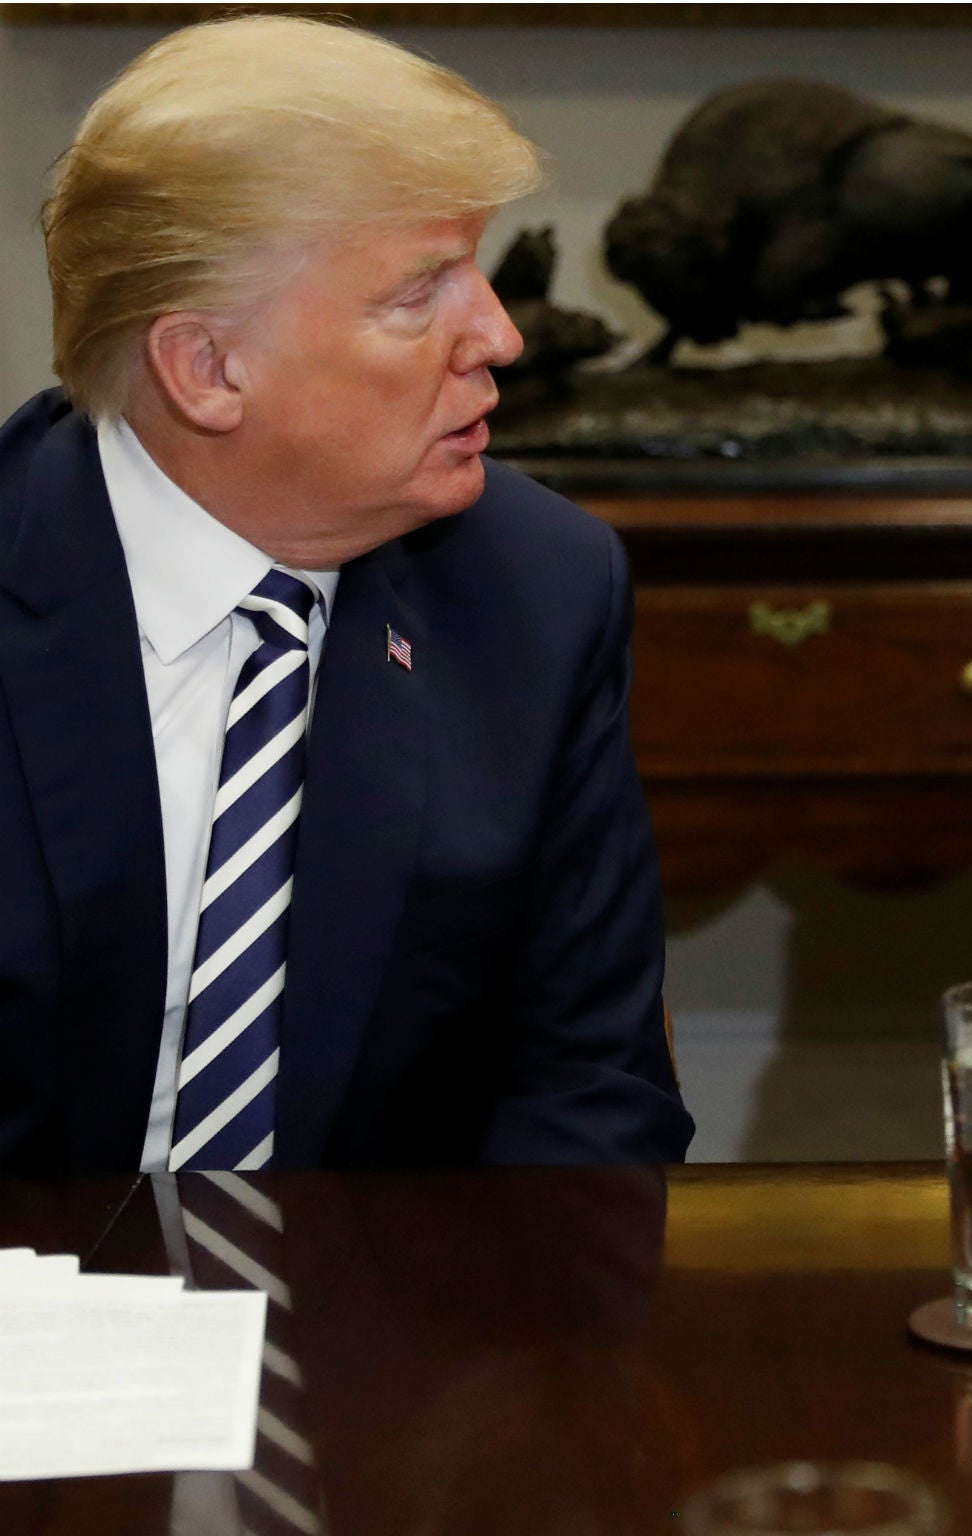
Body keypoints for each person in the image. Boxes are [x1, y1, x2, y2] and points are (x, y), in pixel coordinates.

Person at [0, 17, 694, 1172]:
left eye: (478, 266)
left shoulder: (537, 587)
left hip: (396, 1323)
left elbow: (588, 1090)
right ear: (209, 368)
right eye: (421, 291)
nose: (503, 336)